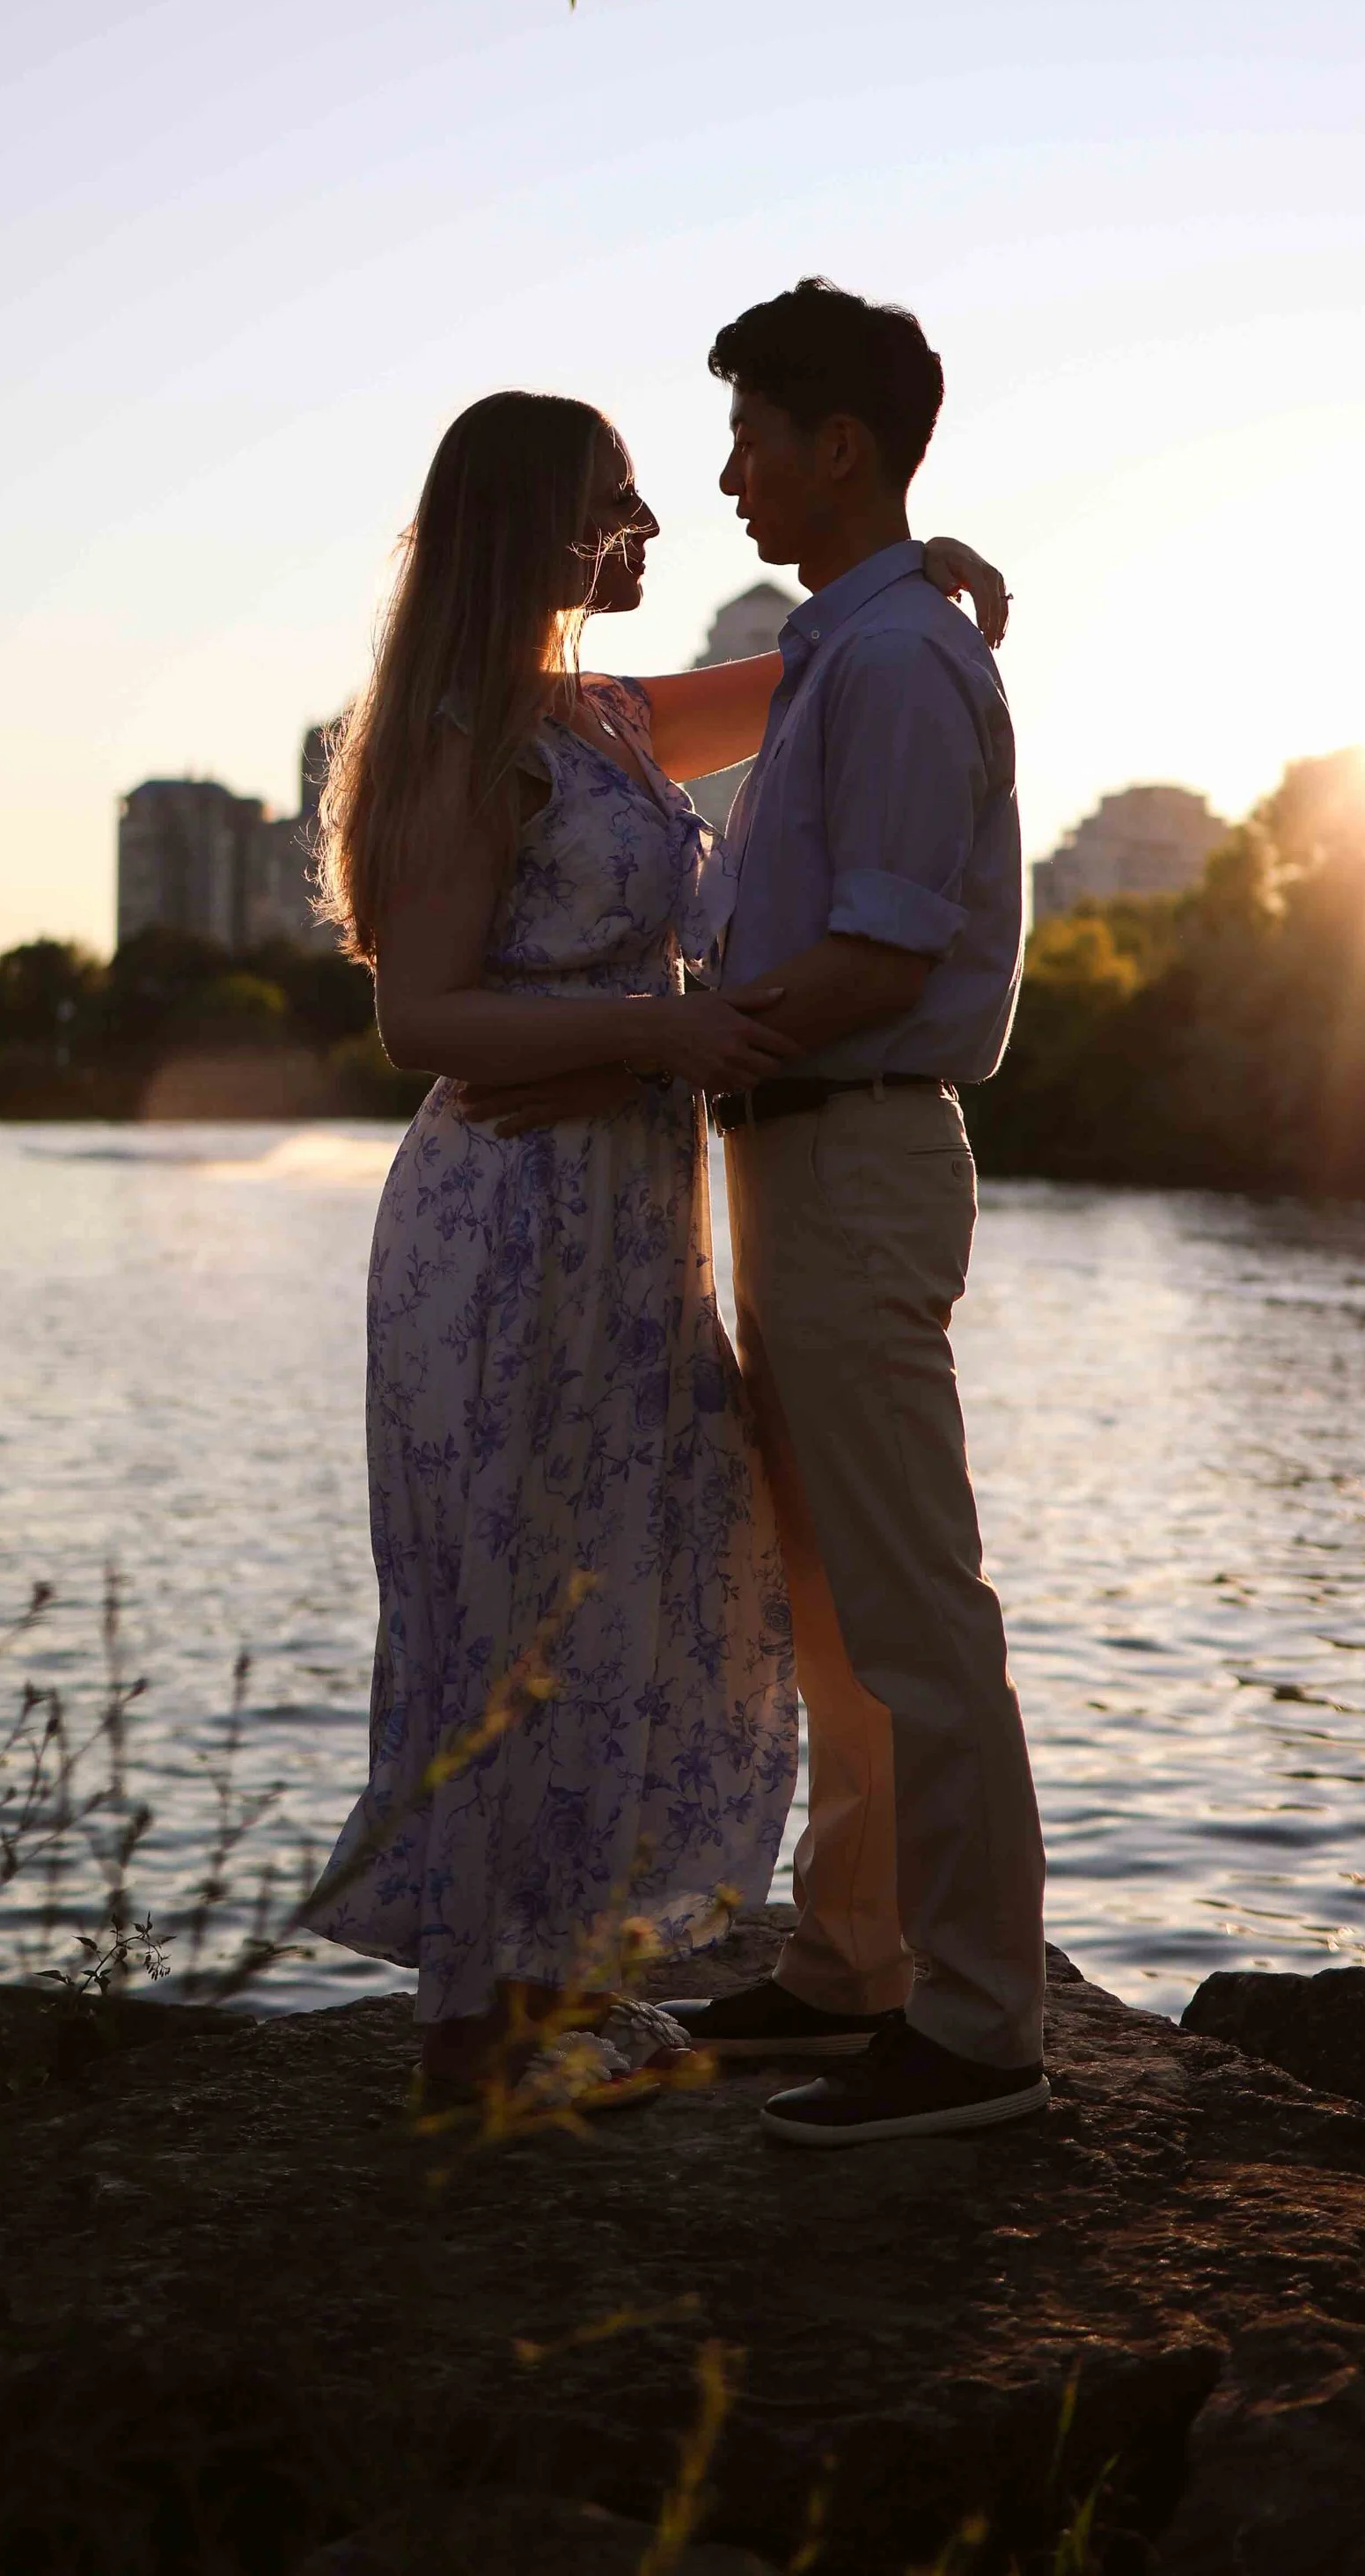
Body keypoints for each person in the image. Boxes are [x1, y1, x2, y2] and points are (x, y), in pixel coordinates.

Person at [301, 387, 1009, 2095]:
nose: (650, 526)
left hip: (627, 1222)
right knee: (505, 1594)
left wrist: (928, 583)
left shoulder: (605, 714)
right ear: (533, 525)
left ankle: (553, 1986)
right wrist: (663, 1039)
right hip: (508, 1220)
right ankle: (471, 2031)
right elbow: (421, 1020)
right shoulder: (461, 737)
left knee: (647, 1576)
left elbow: (819, 670)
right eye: (617, 502)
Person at [657, 278, 1049, 2147]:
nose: (725, 472)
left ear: (841, 449)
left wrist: (660, 1045)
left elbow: (881, 944)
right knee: (830, 1602)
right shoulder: (848, 645)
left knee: (909, 1604)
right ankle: (850, 1964)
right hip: (788, 1147)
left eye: (749, 435)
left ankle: (974, 2030)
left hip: (853, 1141)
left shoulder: (890, 664)